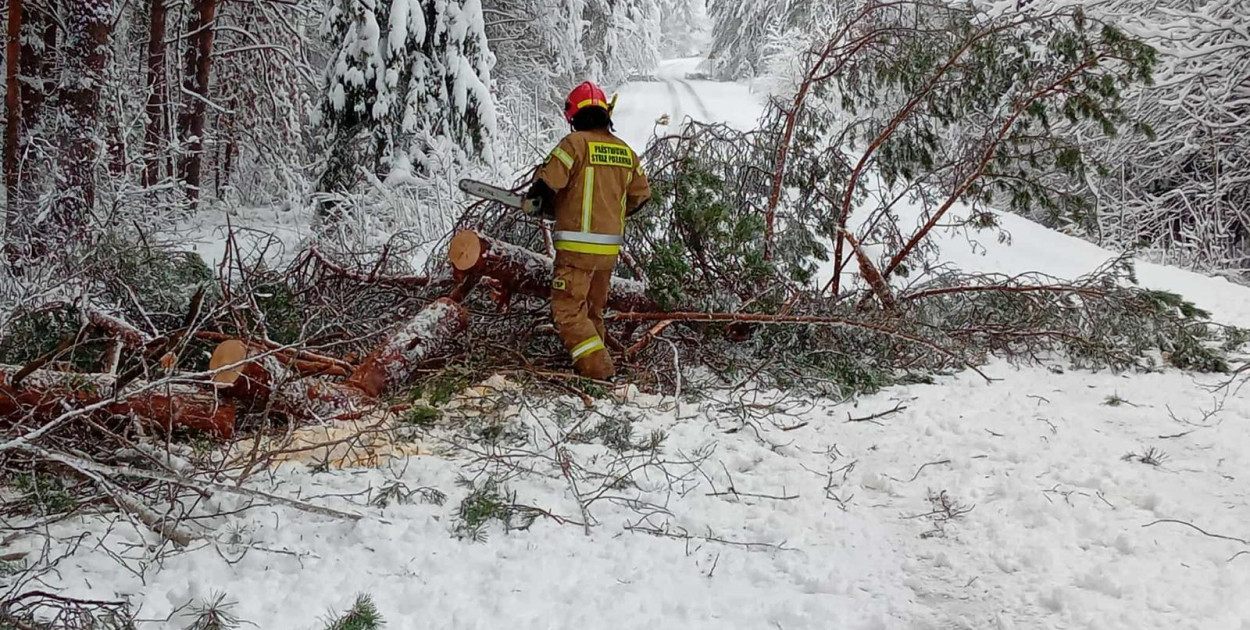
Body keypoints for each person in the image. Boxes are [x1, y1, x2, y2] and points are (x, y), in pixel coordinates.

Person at [523, 81, 651, 380]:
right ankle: (595, 364)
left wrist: (537, 202)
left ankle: (600, 372)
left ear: (573, 115)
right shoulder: (626, 152)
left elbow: (547, 184)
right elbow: (641, 196)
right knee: (592, 312)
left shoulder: (574, 144)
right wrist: (610, 214)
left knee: (567, 311)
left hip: (576, 249)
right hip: (608, 251)